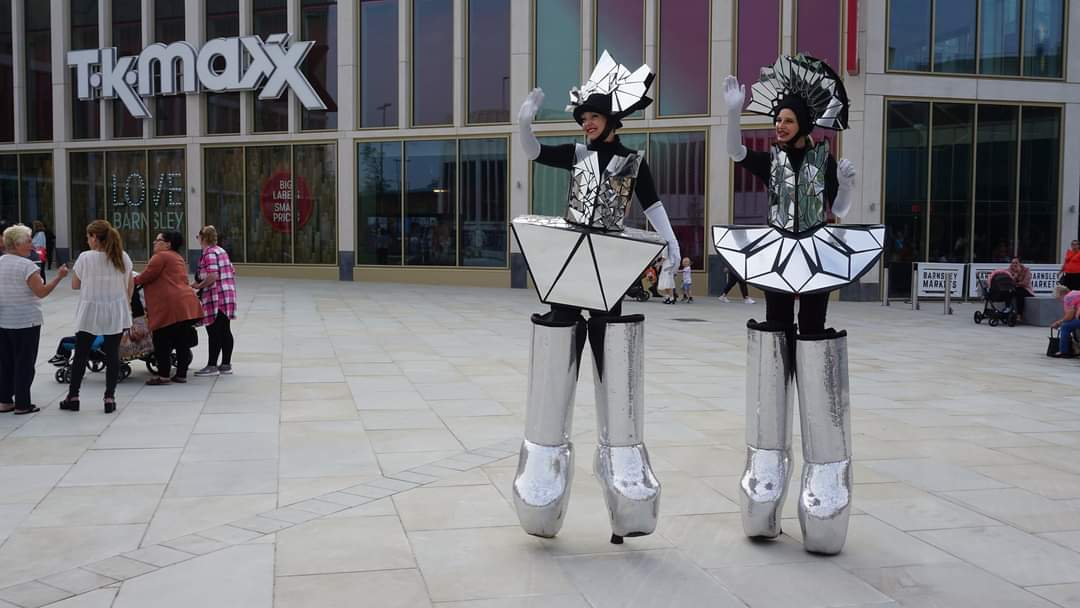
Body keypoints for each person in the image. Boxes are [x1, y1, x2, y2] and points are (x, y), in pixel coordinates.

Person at [510, 50, 680, 544]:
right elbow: (534, 153)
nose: (586, 124)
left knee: (613, 358)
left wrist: (670, 245)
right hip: (570, 265)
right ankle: (544, 460)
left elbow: (652, 206)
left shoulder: (633, 160)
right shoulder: (578, 154)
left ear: (612, 120)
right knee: (557, 336)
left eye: (593, 116)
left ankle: (621, 460)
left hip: (608, 267)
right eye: (583, 117)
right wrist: (525, 122)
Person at [715, 54, 882, 555]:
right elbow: (733, 150)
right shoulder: (771, 160)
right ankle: (767, 462)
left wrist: (848, 185)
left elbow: (840, 209)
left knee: (813, 336)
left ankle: (824, 469)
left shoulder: (822, 160)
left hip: (815, 257)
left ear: (805, 124)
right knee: (773, 337)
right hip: (777, 259)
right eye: (777, 121)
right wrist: (731, 112)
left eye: (786, 121)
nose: (779, 127)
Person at [58, 220, 133, 414]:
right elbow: (128, 286)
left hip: (90, 309)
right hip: (115, 309)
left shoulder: (85, 257)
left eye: (88, 236)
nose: (87, 240)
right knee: (112, 354)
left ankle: (73, 396)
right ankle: (109, 397)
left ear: (94, 238)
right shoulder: (122, 257)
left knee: (81, 353)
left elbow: (75, 284)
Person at [0, 224, 68, 414]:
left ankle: (4, 400)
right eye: (28, 241)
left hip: (4, 320)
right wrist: (59, 277)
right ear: (17, 244)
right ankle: (22, 403)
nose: (31, 245)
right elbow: (41, 292)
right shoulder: (27, 266)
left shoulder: (1, 262)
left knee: (5, 362)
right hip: (26, 321)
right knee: (24, 362)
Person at [134, 231, 203, 385]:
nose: (154, 242)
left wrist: (128, 281)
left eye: (158, 240)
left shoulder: (160, 257)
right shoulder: (177, 257)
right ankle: (181, 375)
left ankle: (164, 375)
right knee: (181, 342)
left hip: (170, 306)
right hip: (186, 303)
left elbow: (145, 276)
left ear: (168, 244)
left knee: (161, 340)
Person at [192, 226, 237, 377]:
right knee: (225, 330)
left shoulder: (209, 253)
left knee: (214, 331)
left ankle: (212, 365)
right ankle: (226, 364)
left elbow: (212, 276)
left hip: (216, 297)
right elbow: (231, 270)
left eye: (198, 238)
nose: (198, 240)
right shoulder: (221, 251)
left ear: (203, 238)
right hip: (227, 296)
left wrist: (198, 285)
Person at [1051, 284, 1080, 358]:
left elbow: (1070, 315)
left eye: (1058, 298)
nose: (1060, 301)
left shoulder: (1068, 297)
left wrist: (1059, 322)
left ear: (1061, 294)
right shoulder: (1075, 293)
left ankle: (1063, 351)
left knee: (1065, 327)